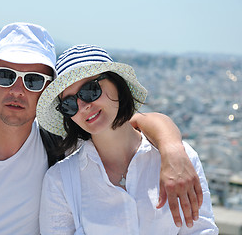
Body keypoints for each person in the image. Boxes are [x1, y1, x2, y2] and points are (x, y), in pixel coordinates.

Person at [0, 23, 202, 234]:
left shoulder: (58, 147)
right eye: (6, 76)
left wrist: (172, 147)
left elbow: (123, 125)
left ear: (46, 93)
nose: (17, 90)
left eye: (32, 80)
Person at [37, 44, 218, 234]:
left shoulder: (180, 159)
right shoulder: (60, 181)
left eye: (90, 90)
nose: (83, 106)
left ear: (117, 84)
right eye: (69, 103)